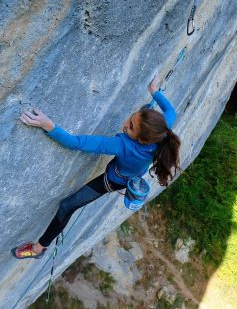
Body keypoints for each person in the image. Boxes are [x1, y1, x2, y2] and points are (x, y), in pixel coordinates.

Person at [12, 75, 181, 259]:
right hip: (130, 171)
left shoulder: (122, 145)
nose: (125, 124)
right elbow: (170, 110)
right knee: (68, 205)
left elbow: (77, 143)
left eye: (130, 127)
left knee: (67, 206)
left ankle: (38, 249)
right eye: (131, 118)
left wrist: (49, 126)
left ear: (142, 140)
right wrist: (154, 91)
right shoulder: (163, 132)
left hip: (113, 180)